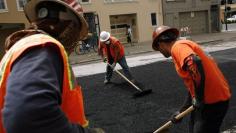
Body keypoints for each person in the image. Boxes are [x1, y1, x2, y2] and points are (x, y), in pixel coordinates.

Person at [0, 0, 104, 133]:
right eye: (76, 30)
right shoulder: (43, 47)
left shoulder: (23, 47)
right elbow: (28, 116)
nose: (75, 39)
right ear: (67, 24)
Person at [152, 25, 231, 133]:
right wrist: (182, 111)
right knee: (194, 126)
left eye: (158, 49)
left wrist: (199, 98)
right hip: (213, 99)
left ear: (160, 44)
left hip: (213, 102)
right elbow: (193, 85)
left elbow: (194, 62)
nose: (160, 52)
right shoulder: (184, 45)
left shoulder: (177, 47)